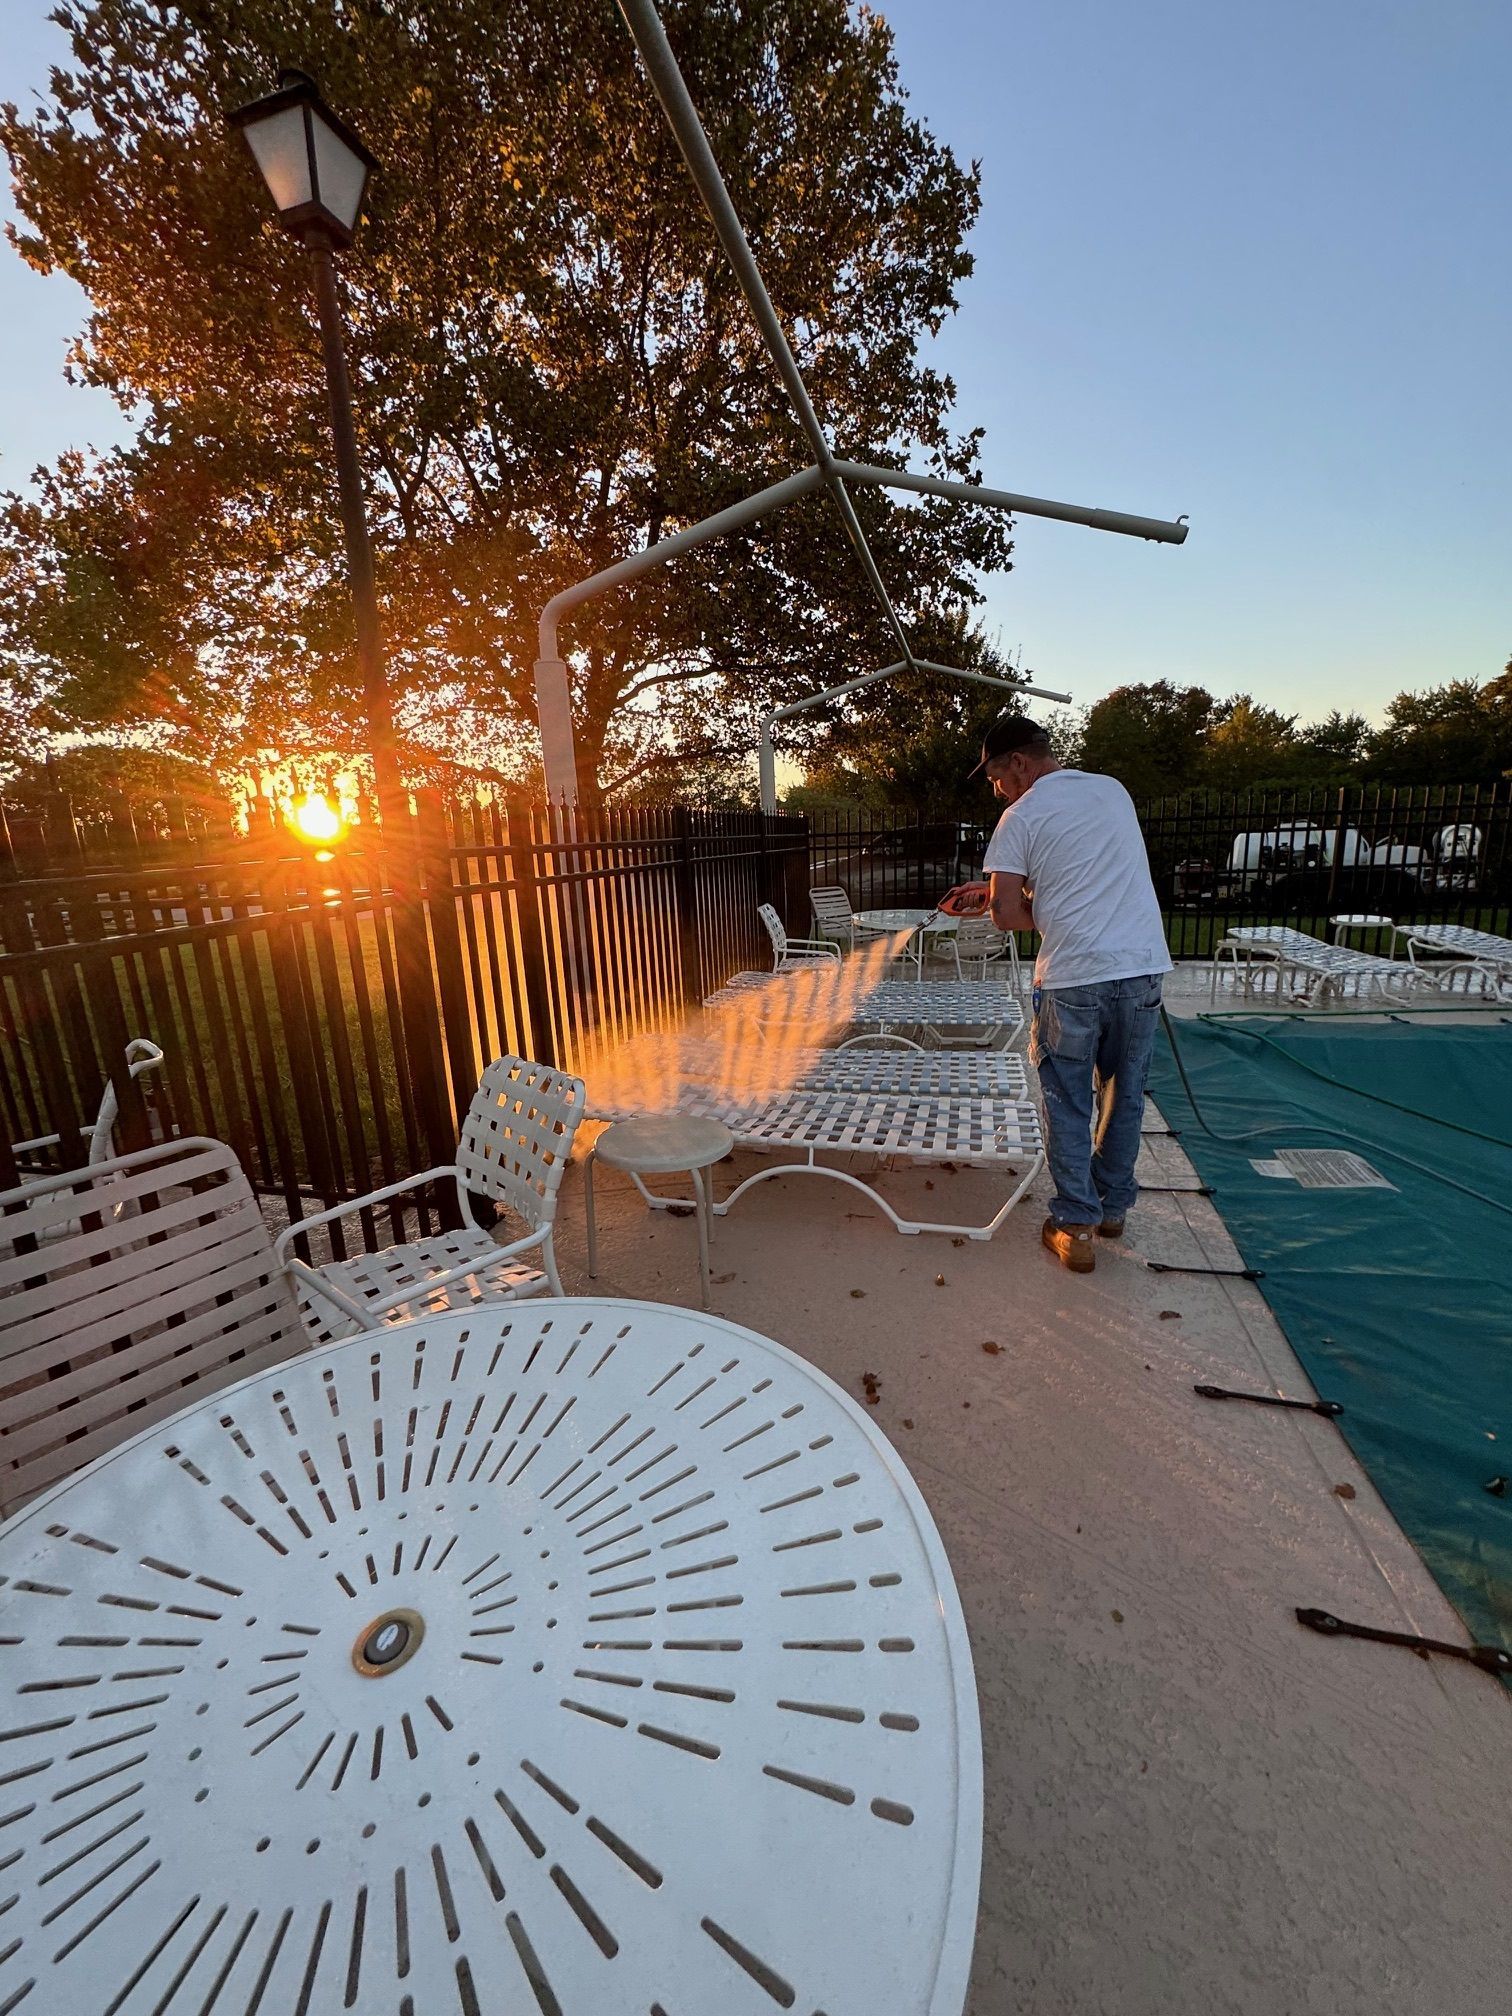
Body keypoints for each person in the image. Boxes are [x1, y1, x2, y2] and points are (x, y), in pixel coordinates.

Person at [975, 715, 1172, 1273]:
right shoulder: (1112, 792)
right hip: (1140, 969)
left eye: (995, 776)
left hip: (1073, 976)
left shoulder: (1019, 816)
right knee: (1124, 1091)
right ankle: (1112, 1209)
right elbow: (1084, 875)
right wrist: (1013, 893)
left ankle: (1074, 1224)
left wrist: (1010, 903)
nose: (996, 789)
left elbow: (1008, 914)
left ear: (1018, 763)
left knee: (1066, 1101)